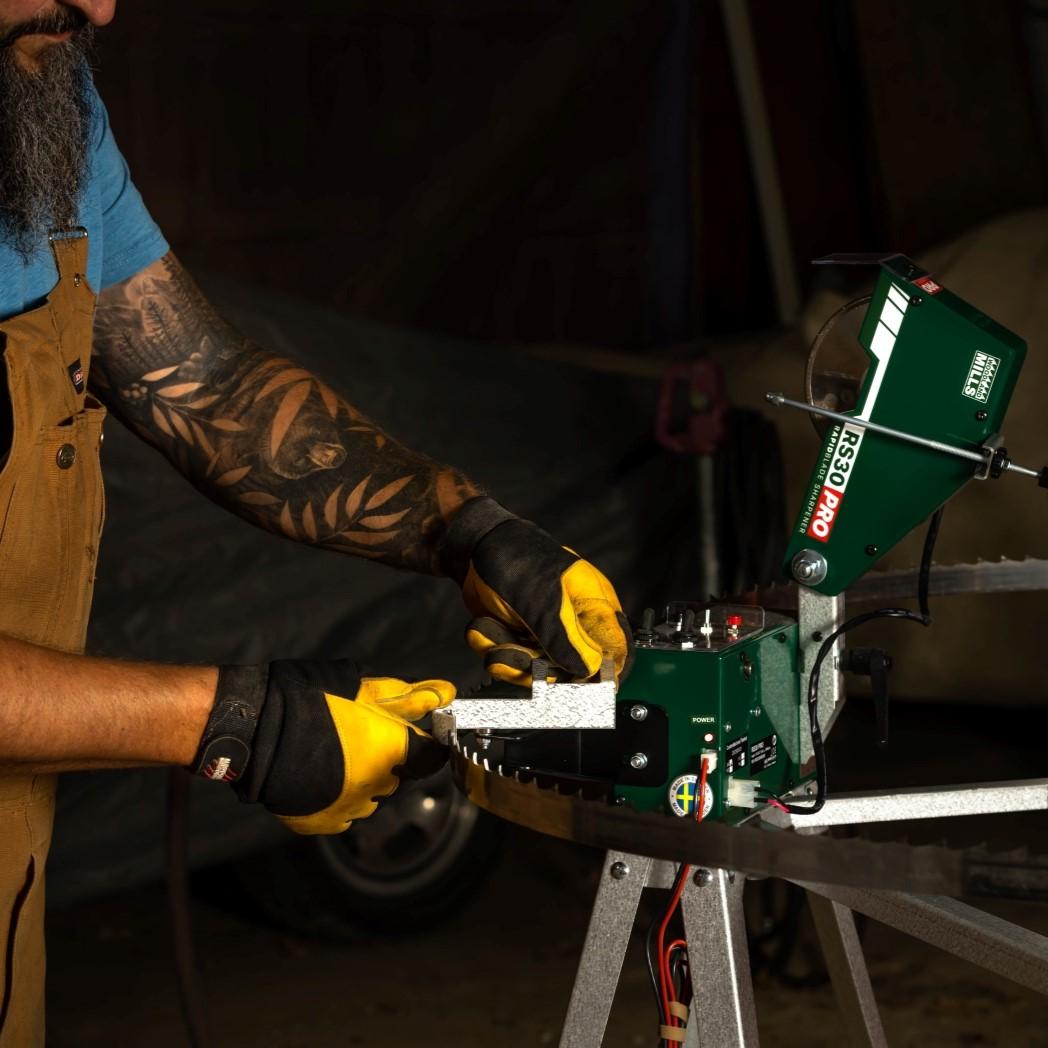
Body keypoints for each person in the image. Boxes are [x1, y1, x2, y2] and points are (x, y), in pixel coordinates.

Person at [0, 3, 633, 1043]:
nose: (102, 8)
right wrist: (238, 725)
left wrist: (465, 527)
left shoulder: (40, 84)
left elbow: (201, 385)